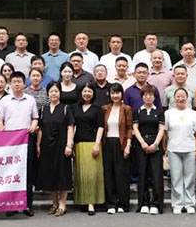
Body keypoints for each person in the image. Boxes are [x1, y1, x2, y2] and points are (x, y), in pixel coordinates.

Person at [0, 72, 39, 217]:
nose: (16, 84)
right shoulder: (5, 100)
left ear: (24, 84)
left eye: (19, 81)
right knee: (10, 172)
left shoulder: (30, 99)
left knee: (28, 172)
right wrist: (2, 132)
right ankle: (12, 205)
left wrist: (33, 126)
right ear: (10, 84)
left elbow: (35, 118)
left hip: (26, 140)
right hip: (10, 142)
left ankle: (27, 205)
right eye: (14, 81)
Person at [35, 82, 74, 217]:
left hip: (61, 146)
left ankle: (62, 204)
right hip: (47, 146)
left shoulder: (65, 108)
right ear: (48, 93)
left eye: (56, 91)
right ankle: (54, 203)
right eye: (51, 91)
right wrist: (38, 145)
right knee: (50, 174)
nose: (53, 94)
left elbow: (70, 127)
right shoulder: (43, 109)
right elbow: (40, 129)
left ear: (60, 93)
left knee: (62, 174)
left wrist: (69, 145)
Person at [165, 88, 196, 215]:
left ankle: (190, 203)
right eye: (178, 96)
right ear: (174, 98)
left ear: (187, 98)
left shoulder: (193, 114)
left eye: (183, 96)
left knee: (190, 178)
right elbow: (165, 132)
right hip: (173, 149)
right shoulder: (169, 113)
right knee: (176, 178)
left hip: (190, 149)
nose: (180, 99)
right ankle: (178, 204)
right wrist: (165, 148)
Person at [71, 84, 105, 215]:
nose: (87, 94)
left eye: (89, 91)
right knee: (80, 174)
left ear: (93, 93)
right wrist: (71, 144)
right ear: (80, 93)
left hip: (92, 143)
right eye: (84, 91)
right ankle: (82, 201)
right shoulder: (74, 107)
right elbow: (71, 126)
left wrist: (97, 144)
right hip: (78, 143)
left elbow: (100, 127)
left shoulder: (97, 108)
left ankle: (91, 203)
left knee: (92, 174)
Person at [133, 86, 165, 215]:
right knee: (143, 174)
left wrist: (155, 144)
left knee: (156, 175)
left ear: (155, 97)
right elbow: (135, 128)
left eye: (150, 95)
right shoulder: (137, 110)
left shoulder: (159, 111)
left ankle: (156, 203)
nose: (148, 97)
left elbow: (161, 129)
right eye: (145, 95)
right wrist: (142, 143)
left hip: (155, 143)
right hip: (141, 144)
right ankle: (144, 203)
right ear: (142, 96)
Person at [103, 83, 133, 214]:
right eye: (113, 93)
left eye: (117, 93)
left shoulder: (126, 109)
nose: (115, 95)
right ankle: (111, 203)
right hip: (107, 143)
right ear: (109, 94)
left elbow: (130, 128)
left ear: (122, 94)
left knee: (122, 174)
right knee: (108, 173)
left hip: (121, 143)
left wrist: (128, 145)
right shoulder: (105, 108)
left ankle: (123, 204)